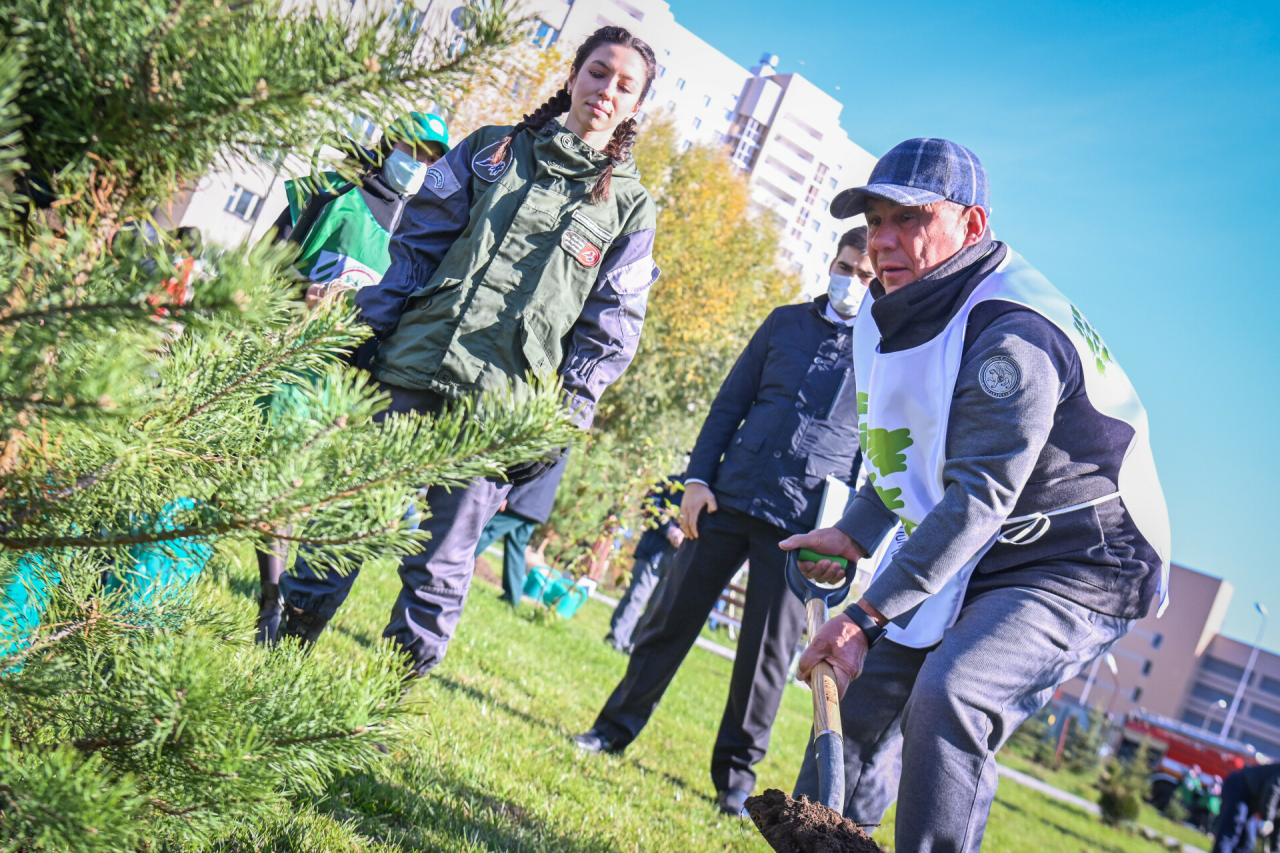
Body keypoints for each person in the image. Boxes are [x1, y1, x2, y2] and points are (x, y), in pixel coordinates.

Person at [782, 138, 1170, 852]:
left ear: (972, 225)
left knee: (953, 692)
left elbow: (978, 496)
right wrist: (858, 530)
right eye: (875, 219)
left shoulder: (1011, 336)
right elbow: (908, 442)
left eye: (911, 218)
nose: (885, 239)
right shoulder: (900, 306)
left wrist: (865, 616)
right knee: (861, 697)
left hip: (1084, 560)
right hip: (982, 533)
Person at [274, 27, 662, 679]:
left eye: (626, 85)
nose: (606, 90)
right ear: (572, 76)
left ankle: (381, 702)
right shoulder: (491, 150)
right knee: (344, 520)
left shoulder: (630, 209)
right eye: (598, 72)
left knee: (442, 563)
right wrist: (369, 329)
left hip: (498, 415)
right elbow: (416, 246)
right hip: (411, 367)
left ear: (635, 107)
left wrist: (558, 422)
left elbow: (611, 331)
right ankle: (279, 658)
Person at [574, 228, 871, 817]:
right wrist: (696, 480)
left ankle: (736, 782)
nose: (854, 282)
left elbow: (877, 456)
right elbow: (729, 404)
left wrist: (850, 538)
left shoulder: (886, 354)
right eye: (846, 267)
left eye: (867, 276)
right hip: (729, 498)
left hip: (803, 527)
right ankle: (612, 729)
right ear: (830, 262)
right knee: (667, 621)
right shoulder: (785, 323)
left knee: (764, 659)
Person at [255, 112, 451, 644]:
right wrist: (301, 295)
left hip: (362, 381)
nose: (420, 165)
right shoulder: (328, 195)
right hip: (301, 364)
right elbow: (263, 267)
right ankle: (270, 603)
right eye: (413, 150)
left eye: (433, 159)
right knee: (281, 487)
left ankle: (289, 602)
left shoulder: (423, 230)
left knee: (319, 500)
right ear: (388, 146)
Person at [474, 453, 571, 606]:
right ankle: (513, 597)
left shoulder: (559, 433)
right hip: (536, 505)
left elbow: (535, 469)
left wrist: (509, 496)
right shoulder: (572, 432)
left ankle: (450, 566)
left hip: (524, 502)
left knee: (486, 532)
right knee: (516, 547)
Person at [605, 473, 685, 653]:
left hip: (678, 560)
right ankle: (616, 638)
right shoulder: (668, 484)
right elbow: (649, 506)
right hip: (653, 551)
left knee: (657, 608)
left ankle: (635, 646)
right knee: (636, 597)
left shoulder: (709, 494)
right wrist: (669, 529)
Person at [1213, 764, 1280, 853]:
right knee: (1231, 831)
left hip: (1250, 801)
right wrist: (1267, 818)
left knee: (1247, 844)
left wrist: (1275, 849)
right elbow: (1273, 789)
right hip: (1239, 786)